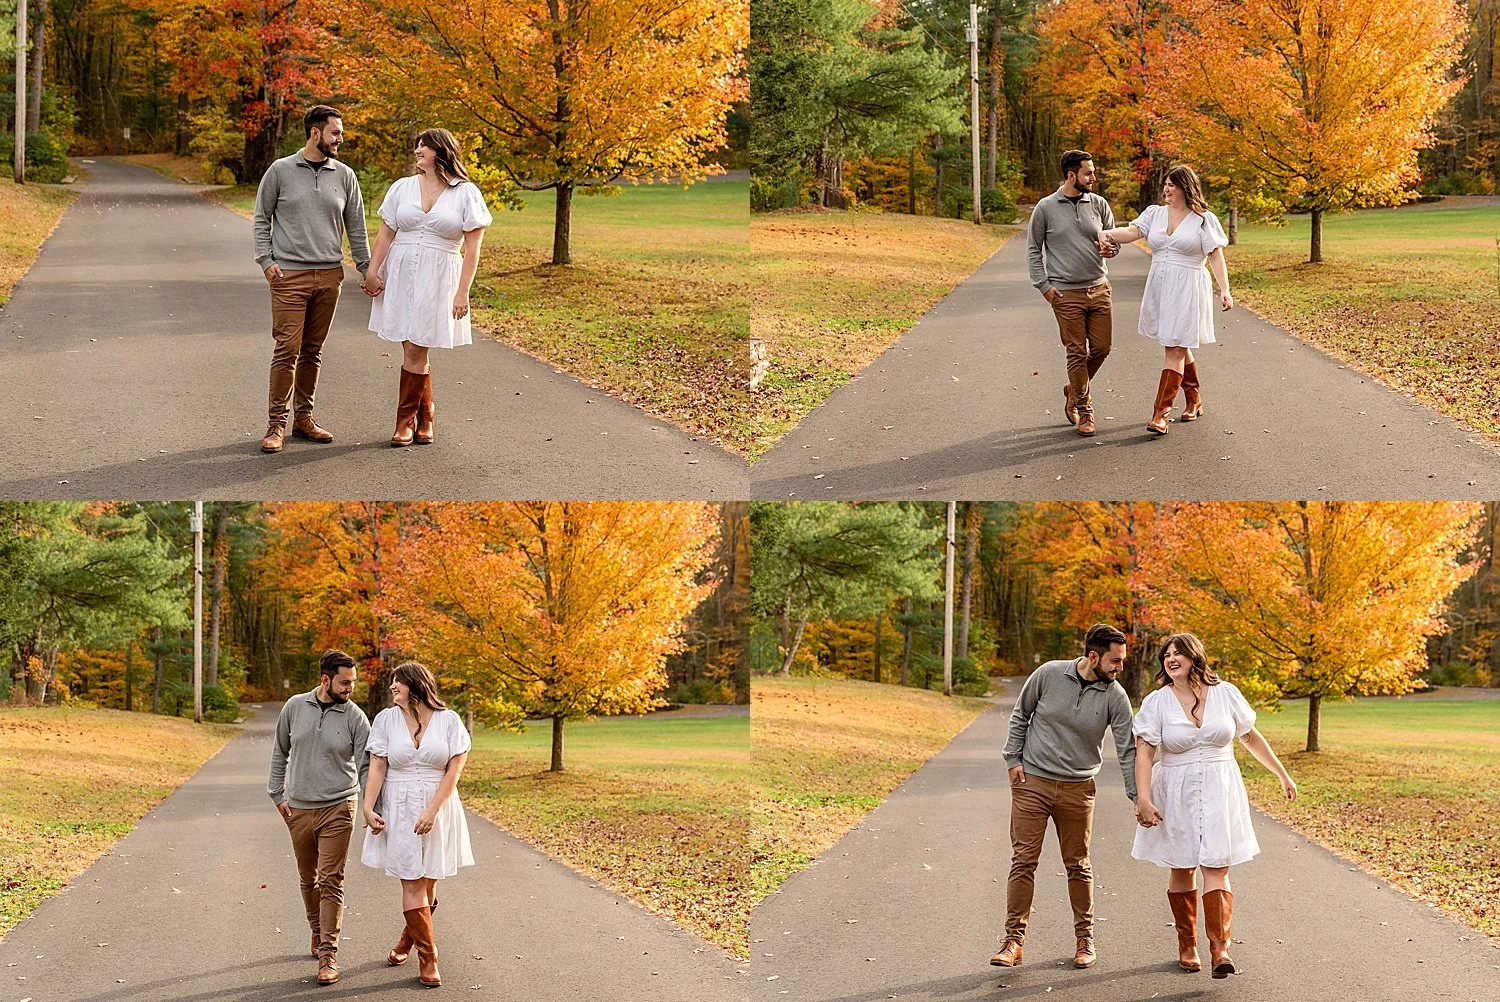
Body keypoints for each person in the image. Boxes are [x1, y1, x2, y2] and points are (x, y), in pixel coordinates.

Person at [1131, 633, 1296, 978]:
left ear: (1195, 657)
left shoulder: (1226, 693)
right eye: (1167, 655)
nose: (1171, 659)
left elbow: (1249, 737)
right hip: (1175, 789)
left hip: (1221, 786)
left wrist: (1281, 774)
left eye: (1179, 653)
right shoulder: (1157, 702)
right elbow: (1145, 751)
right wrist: (1143, 798)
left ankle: (1220, 949)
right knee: (1181, 866)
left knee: (1218, 865)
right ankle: (1187, 944)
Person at [991, 623, 1137, 971]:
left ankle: (1085, 940)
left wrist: (1137, 797)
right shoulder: (1048, 675)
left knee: (1078, 865)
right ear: (1093, 656)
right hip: (1033, 783)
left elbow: (1127, 750)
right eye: (1115, 661)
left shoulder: (1115, 697)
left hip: (1078, 789)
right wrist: (1013, 759)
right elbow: (1020, 715)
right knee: (1024, 861)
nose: (1120, 668)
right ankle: (1013, 941)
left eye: (1123, 661)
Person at [361, 128, 492, 447]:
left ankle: (405, 422)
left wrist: (463, 291)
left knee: (417, 346)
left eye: (423, 145)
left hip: (439, 274)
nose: (417, 150)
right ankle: (425, 418)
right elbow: (385, 233)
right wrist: (372, 270)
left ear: (440, 150)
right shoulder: (402, 188)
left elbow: (473, 248)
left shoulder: (466, 193)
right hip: (402, 270)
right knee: (410, 346)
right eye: (417, 145)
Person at [252, 105, 371, 454]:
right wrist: (266, 260)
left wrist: (366, 269)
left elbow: (357, 228)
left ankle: (304, 420)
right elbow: (262, 218)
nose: (340, 139)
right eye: (336, 133)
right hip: (289, 276)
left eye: (341, 133)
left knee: (312, 351)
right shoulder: (280, 171)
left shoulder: (345, 176)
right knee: (287, 349)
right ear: (315, 133)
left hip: (330, 276)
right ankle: (276, 424)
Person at [361, 661, 475, 988]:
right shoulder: (385, 720)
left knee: (428, 885)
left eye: (398, 682)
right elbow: (378, 766)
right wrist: (368, 808)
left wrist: (432, 810)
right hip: (398, 806)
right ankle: (429, 958)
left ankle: (406, 942)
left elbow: (453, 773)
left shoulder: (449, 721)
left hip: (438, 805)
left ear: (415, 684)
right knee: (412, 880)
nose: (392, 687)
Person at [1097, 165, 1233, 436]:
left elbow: (1216, 256)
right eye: (1165, 185)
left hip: (1189, 285)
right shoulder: (1154, 214)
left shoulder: (1204, 219)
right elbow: (1133, 233)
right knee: (1177, 341)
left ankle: (1161, 413)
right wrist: (1107, 234)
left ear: (1185, 187)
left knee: (1174, 347)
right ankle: (1194, 398)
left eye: (1171, 184)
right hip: (1161, 284)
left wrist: (1225, 290)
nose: (1166, 189)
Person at [267, 650, 372, 986]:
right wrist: (277, 794)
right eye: (345, 682)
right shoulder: (294, 707)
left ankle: (328, 955)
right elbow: (279, 750)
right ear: (325, 679)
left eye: (353, 682)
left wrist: (370, 805)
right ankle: (316, 930)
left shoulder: (356, 717)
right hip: (298, 809)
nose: (350, 688)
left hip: (339, 806)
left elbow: (368, 766)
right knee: (307, 878)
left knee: (331, 880)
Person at [1026, 150, 1121, 438]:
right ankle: (1085, 410)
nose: (1094, 177)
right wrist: (1043, 286)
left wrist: (1111, 249)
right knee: (1077, 352)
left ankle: (1073, 387)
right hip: (1065, 293)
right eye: (1088, 173)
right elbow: (1033, 249)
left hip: (1099, 287)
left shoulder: (1099, 203)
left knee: (1102, 348)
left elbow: (1114, 241)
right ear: (1071, 175)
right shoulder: (1045, 208)